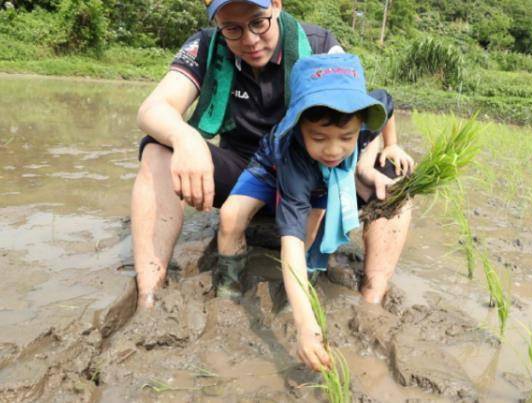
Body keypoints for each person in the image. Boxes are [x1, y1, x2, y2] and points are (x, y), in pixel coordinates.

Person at [133, 0, 344, 308]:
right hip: (243, 178)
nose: (249, 40)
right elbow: (152, 109)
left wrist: (380, 152)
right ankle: (148, 294)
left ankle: (373, 298)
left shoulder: (319, 46)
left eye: (258, 22)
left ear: (276, 5)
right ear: (217, 22)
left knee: (392, 171)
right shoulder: (207, 45)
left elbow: (355, 112)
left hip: (304, 179)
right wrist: (185, 136)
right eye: (233, 28)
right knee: (157, 147)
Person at [217, 53, 414, 371]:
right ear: (299, 126)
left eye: (346, 138)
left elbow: (386, 102)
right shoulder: (295, 156)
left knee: (312, 226)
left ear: (361, 123)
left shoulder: (360, 119)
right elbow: (289, 242)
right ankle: (227, 287)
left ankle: (297, 288)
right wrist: (306, 324)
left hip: (320, 175)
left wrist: (391, 144)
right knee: (230, 219)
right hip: (269, 166)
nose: (334, 149)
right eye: (319, 137)